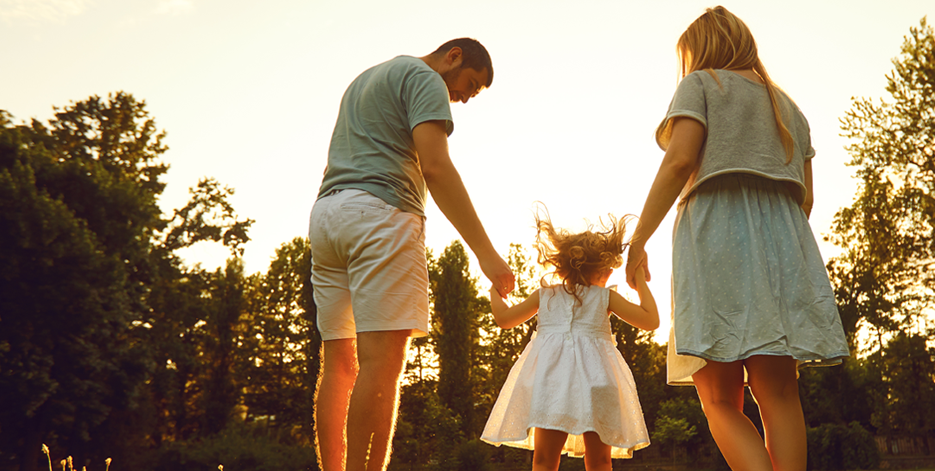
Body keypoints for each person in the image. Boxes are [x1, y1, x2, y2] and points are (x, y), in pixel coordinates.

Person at [624, 6, 851, 471]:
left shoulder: (703, 85)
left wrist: (639, 238)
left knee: (719, 398)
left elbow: (679, 160)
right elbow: (805, 199)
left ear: (703, 49)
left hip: (718, 236)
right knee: (780, 392)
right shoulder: (789, 108)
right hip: (785, 244)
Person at [308, 38, 516, 471]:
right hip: (380, 216)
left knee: (339, 366)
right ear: (453, 55)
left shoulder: (366, 78)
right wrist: (486, 254)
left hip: (328, 216)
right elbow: (435, 167)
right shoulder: (425, 78)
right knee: (381, 367)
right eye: (468, 85)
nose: (461, 97)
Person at [480, 210, 659, 471]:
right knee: (600, 461)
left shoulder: (545, 295)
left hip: (550, 383)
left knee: (544, 460)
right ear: (603, 270)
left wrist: (495, 291)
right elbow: (651, 320)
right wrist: (640, 281)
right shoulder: (604, 297)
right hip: (599, 383)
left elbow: (505, 319)